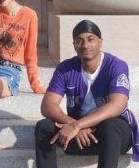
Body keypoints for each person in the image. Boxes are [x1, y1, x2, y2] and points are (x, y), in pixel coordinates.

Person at [34, 20, 139, 168]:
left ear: (100, 42)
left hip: (114, 138)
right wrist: (74, 125)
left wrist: (78, 125)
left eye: (91, 39)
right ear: (74, 45)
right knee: (43, 126)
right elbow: (47, 105)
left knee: (110, 125)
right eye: (79, 40)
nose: (85, 45)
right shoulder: (65, 68)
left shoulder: (116, 65)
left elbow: (116, 106)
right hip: (79, 136)